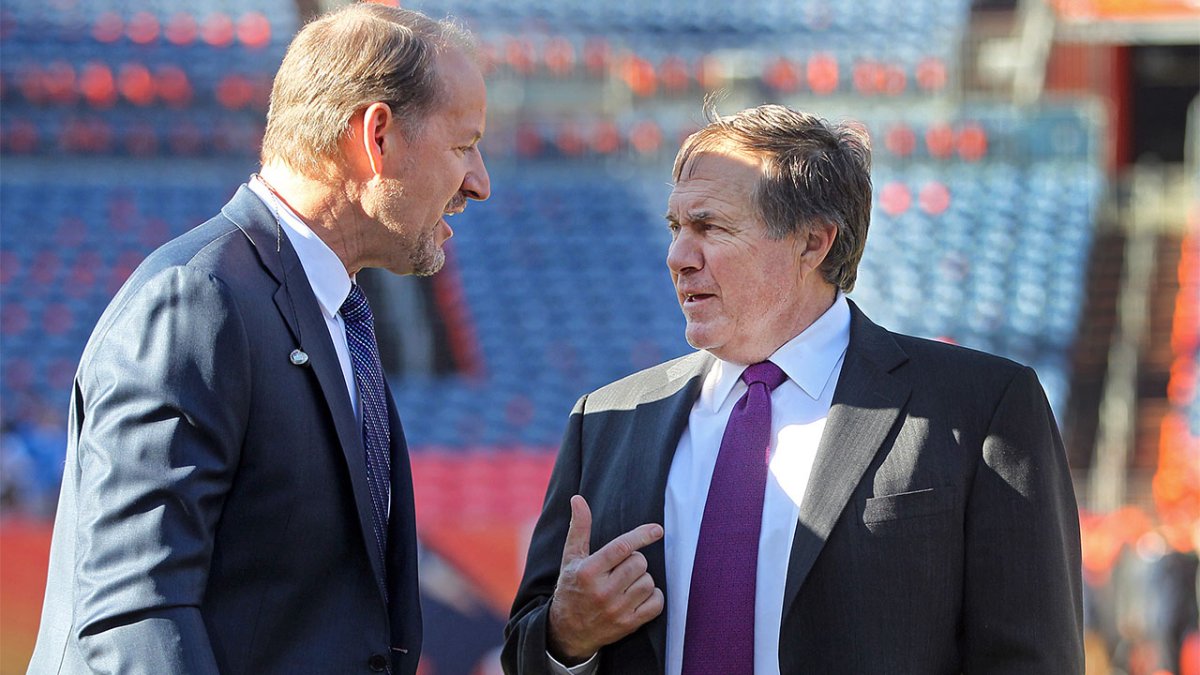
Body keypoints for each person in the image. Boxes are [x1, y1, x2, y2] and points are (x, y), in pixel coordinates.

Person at [503, 103, 1083, 674]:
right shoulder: (606, 417)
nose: (678, 256)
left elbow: (1032, 658)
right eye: (677, 228)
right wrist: (565, 637)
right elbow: (526, 648)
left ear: (813, 242)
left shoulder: (980, 407)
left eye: (710, 227)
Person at [29, 4, 489, 674]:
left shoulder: (327, 313)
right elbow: (133, 618)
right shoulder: (197, 303)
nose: (479, 181)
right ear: (378, 136)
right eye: (462, 145)